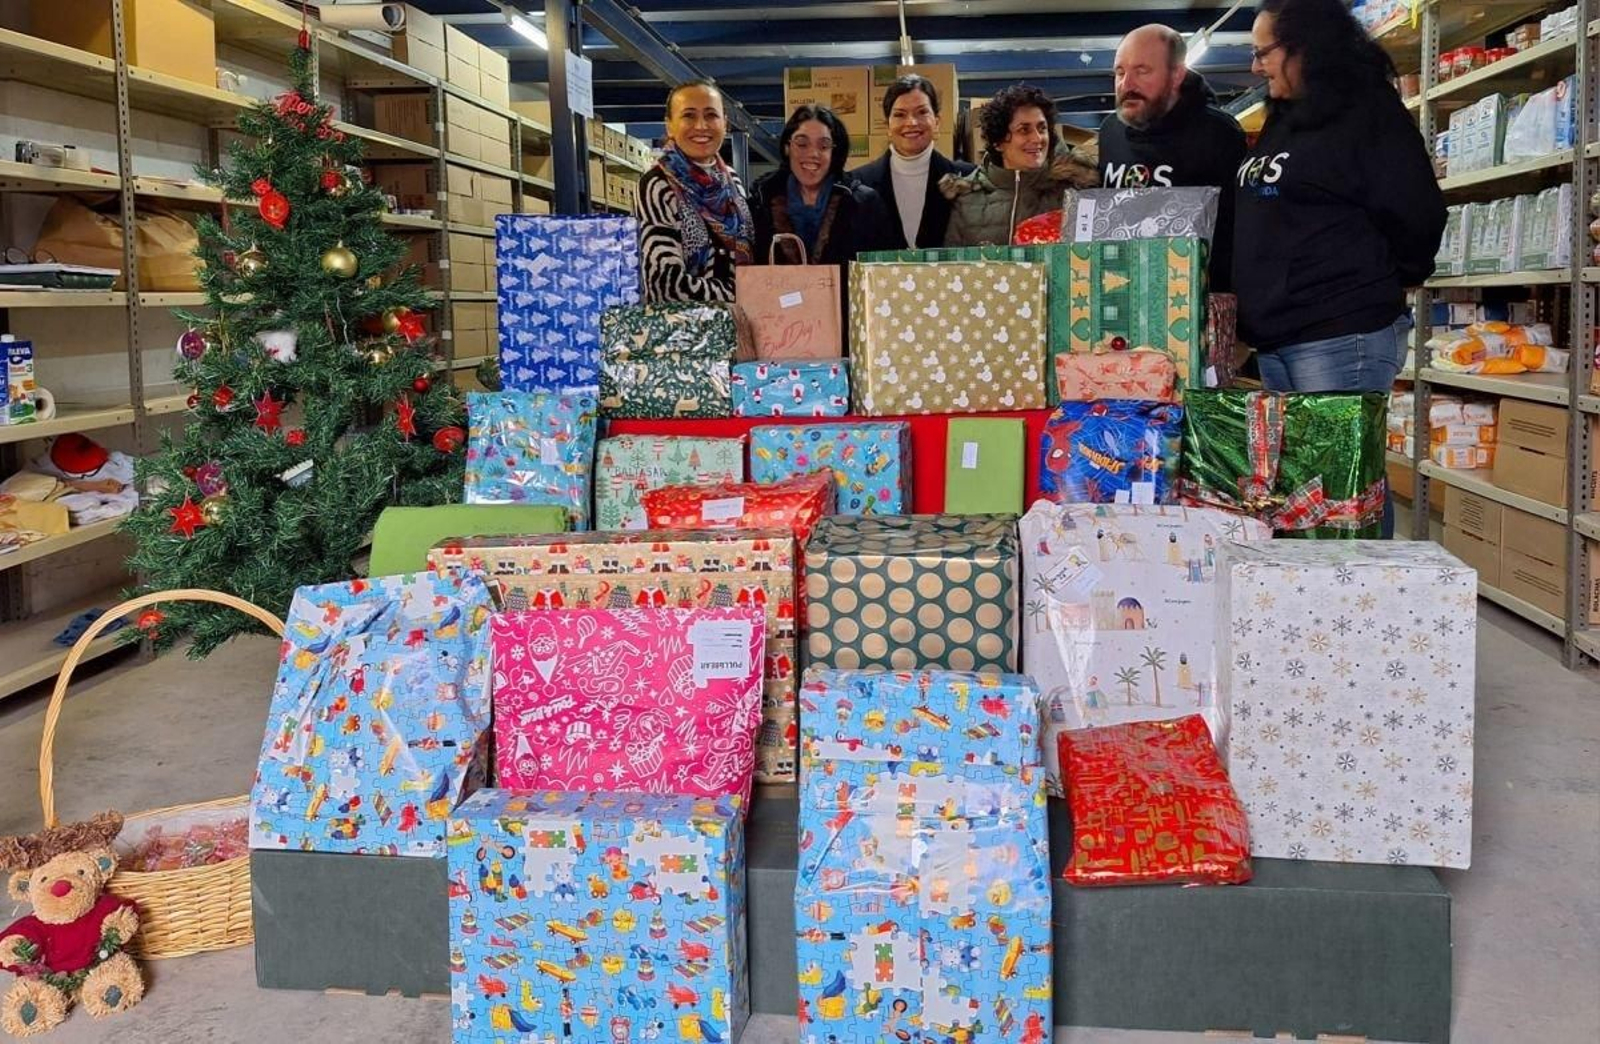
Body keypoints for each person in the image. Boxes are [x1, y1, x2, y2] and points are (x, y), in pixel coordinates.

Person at [1233, 0, 1446, 537]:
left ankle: (1365, 609)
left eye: (1264, 53)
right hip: (1281, 338)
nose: (1256, 67)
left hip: (1339, 335)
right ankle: (1326, 612)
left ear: (1306, 47)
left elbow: (1417, 212)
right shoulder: (1286, 115)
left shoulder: (1366, 113)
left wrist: (1376, 282)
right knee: (1309, 492)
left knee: (1345, 491)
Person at [1100, 24, 1247, 291]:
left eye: (1142, 71)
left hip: (1196, 302)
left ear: (1177, 74)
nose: (1126, 84)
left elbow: (1237, 234)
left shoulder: (1218, 134)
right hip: (1124, 295)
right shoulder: (1110, 133)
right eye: (1120, 72)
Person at [636, 78, 753, 303]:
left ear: (725, 124)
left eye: (711, 115)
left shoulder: (732, 181)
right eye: (689, 115)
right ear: (669, 125)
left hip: (740, 327)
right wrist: (742, 296)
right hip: (686, 332)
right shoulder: (658, 184)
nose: (701, 126)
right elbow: (665, 284)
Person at [940, 85, 1097, 247]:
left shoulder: (1072, 193)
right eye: (1024, 130)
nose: (1037, 138)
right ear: (998, 142)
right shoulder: (968, 199)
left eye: (1042, 128)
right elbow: (954, 265)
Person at [747, 106, 893, 268]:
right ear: (787, 148)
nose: (813, 154)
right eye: (802, 144)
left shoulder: (864, 205)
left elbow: (883, 273)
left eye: (823, 146)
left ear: (834, 152)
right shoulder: (761, 202)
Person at [850, 74, 974, 249]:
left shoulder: (968, 177)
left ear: (937, 122)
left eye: (922, 112)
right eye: (900, 115)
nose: (912, 122)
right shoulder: (858, 183)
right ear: (887, 126)